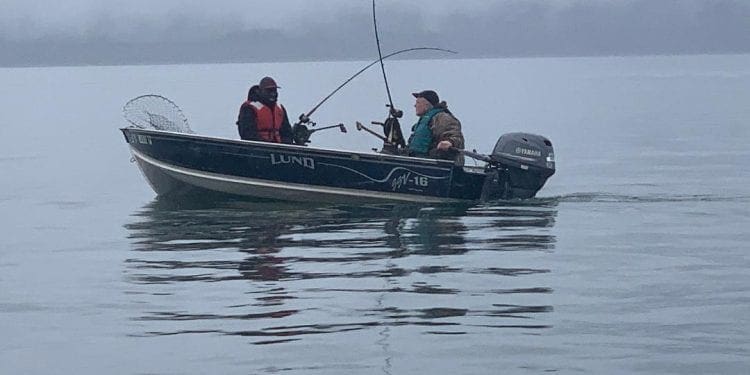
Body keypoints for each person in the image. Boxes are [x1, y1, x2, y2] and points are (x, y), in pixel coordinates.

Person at [406, 90, 465, 166]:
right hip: (418, 162)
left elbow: (456, 136)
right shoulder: (422, 122)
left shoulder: (442, 118)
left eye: (418, 102)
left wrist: (449, 142)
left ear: (426, 104)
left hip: (435, 165)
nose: (415, 105)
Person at [236, 76, 294, 144]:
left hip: (278, 147)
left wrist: (285, 145)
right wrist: (265, 145)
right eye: (269, 91)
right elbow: (247, 133)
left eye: (274, 91)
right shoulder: (249, 108)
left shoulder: (280, 109)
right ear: (260, 91)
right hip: (257, 147)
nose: (273, 94)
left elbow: (287, 132)